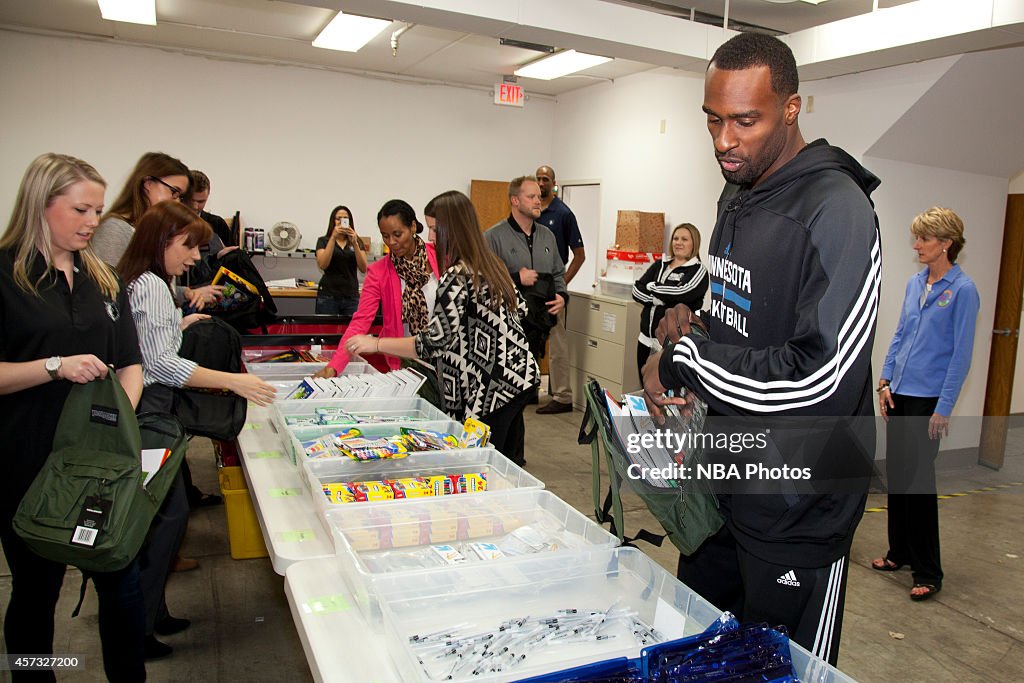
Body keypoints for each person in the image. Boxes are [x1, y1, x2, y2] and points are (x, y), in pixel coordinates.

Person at [641, 32, 881, 665]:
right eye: (713, 120)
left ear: (793, 108)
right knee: (694, 647)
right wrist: (692, 319)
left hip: (799, 506)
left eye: (746, 120)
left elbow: (819, 376)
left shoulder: (839, 210)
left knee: (782, 670)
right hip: (727, 479)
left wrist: (685, 360)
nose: (724, 140)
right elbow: (742, 309)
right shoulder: (738, 189)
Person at [0, 153, 147, 681]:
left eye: (98, 210)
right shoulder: (6, 275)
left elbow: (131, 363)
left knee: (122, 583)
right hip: (26, 462)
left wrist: (115, 423)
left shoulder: (103, 280)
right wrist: (54, 367)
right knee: (36, 593)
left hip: (101, 468)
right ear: (42, 204)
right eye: (81, 209)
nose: (93, 222)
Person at [117, 200, 276, 659]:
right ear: (161, 240)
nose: (194, 258)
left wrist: (182, 320)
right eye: (188, 247)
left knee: (167, 516)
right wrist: (233, 381)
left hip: (154, 408)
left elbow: (152, 341)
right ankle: (139, 628)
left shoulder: (156, 283)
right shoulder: (148, 284)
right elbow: (161, 364)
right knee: (162, 518)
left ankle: (152, 612)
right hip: (150, 410)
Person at [347, 191, 539, 464]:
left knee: (480, 467)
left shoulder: (457, 275)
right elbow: (521, 310)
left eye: (436, 229)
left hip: (491, 391)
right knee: (506, 465)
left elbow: (433, 341)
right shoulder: (490, 265)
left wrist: (376, 344)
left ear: (454, 228)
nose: (432, 237)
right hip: (519, 380)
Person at [873, 207, 979, 602]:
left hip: (928, 401)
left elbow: (960, 356)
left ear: (946, 243)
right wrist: (885, 382)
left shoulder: (963, 290)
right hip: (899, 393)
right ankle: (898, 552)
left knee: (919, 485)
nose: (916, 245)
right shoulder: (916, 283)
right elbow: (900, 334)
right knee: (898, 479)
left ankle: (929, 571)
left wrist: (944, 407)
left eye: (924, 239)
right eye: (916, 238)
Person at [315, 199, 439, 377]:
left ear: (412, 227)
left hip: (444, 359)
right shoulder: (379, 272)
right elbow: (361, 321)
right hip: (406, 363)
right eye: (385, 236)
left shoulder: (442, 256)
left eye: (397, 234)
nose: (392, 242)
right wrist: (333, 367)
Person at [93, 152, 220, 311]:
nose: (177, 203)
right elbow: (108, 298)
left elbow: (148, 288)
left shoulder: (146, 230)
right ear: (148, 184)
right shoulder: (115, 230)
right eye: (173, 192)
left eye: (180, 197)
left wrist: (185, 293)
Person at [484, 176, 567, 406]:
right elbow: (481, 281)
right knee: (508, 400)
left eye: (539, 197)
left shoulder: (547, 236)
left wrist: (562, 296)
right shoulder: (493, 237)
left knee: (528, 397)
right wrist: (515, 279)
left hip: (539, 326)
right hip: (506, 330)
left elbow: (559, 272)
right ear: (515, 201)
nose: (537, 201)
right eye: (530, 197)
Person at [534, 165, 585, 415]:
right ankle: (530, 390)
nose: (541, 183)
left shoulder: (563, 213)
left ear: (554, 183)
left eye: (545, 179)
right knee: (529, 341)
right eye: (538, 179)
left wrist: (561, 283)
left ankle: (563, 396)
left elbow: (579, 255)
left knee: (557, 343)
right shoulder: (530, 210)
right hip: (529, 287)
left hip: (552, 287)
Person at [632, 222, 709, 382]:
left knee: (665, 390)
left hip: (672, 343)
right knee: (644, 384)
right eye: (675, 238)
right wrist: (658, 298)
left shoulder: (698, 270)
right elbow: (637, 290)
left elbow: (682, 293)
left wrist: (652, 286)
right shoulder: (661, 264)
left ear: (694, 243)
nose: (678, 243)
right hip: (645, 339)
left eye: (684, 239)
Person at [315, 205, 367, 316]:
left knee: (352, 331)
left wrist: (355, 244)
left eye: (345, 219)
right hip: (328, 295)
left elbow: (363, 268)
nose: (341, 222)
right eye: (338, 218)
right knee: (327, 330)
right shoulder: (323, 241)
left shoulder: (357, 241)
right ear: (333, 221)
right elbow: (323, 264)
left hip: (351, 295)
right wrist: (333, 237)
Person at [188, 169, 234, 247]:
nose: (195, 207)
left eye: (201, 202)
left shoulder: (217, 224)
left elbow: (233, 255)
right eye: (191, 200)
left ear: (208, 196)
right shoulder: (169, 222)